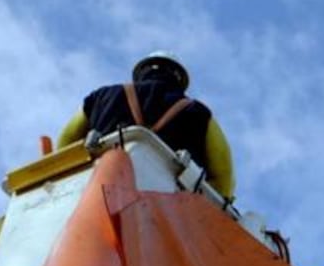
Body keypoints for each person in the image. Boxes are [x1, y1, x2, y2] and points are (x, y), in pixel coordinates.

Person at [57, 51, 236, 200]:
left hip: (95, 192)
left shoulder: (101, 96)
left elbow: (66, 142)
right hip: (168, 211)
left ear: (140, 73)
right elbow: (223, 177)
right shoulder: (199, 113)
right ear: (179, 80)